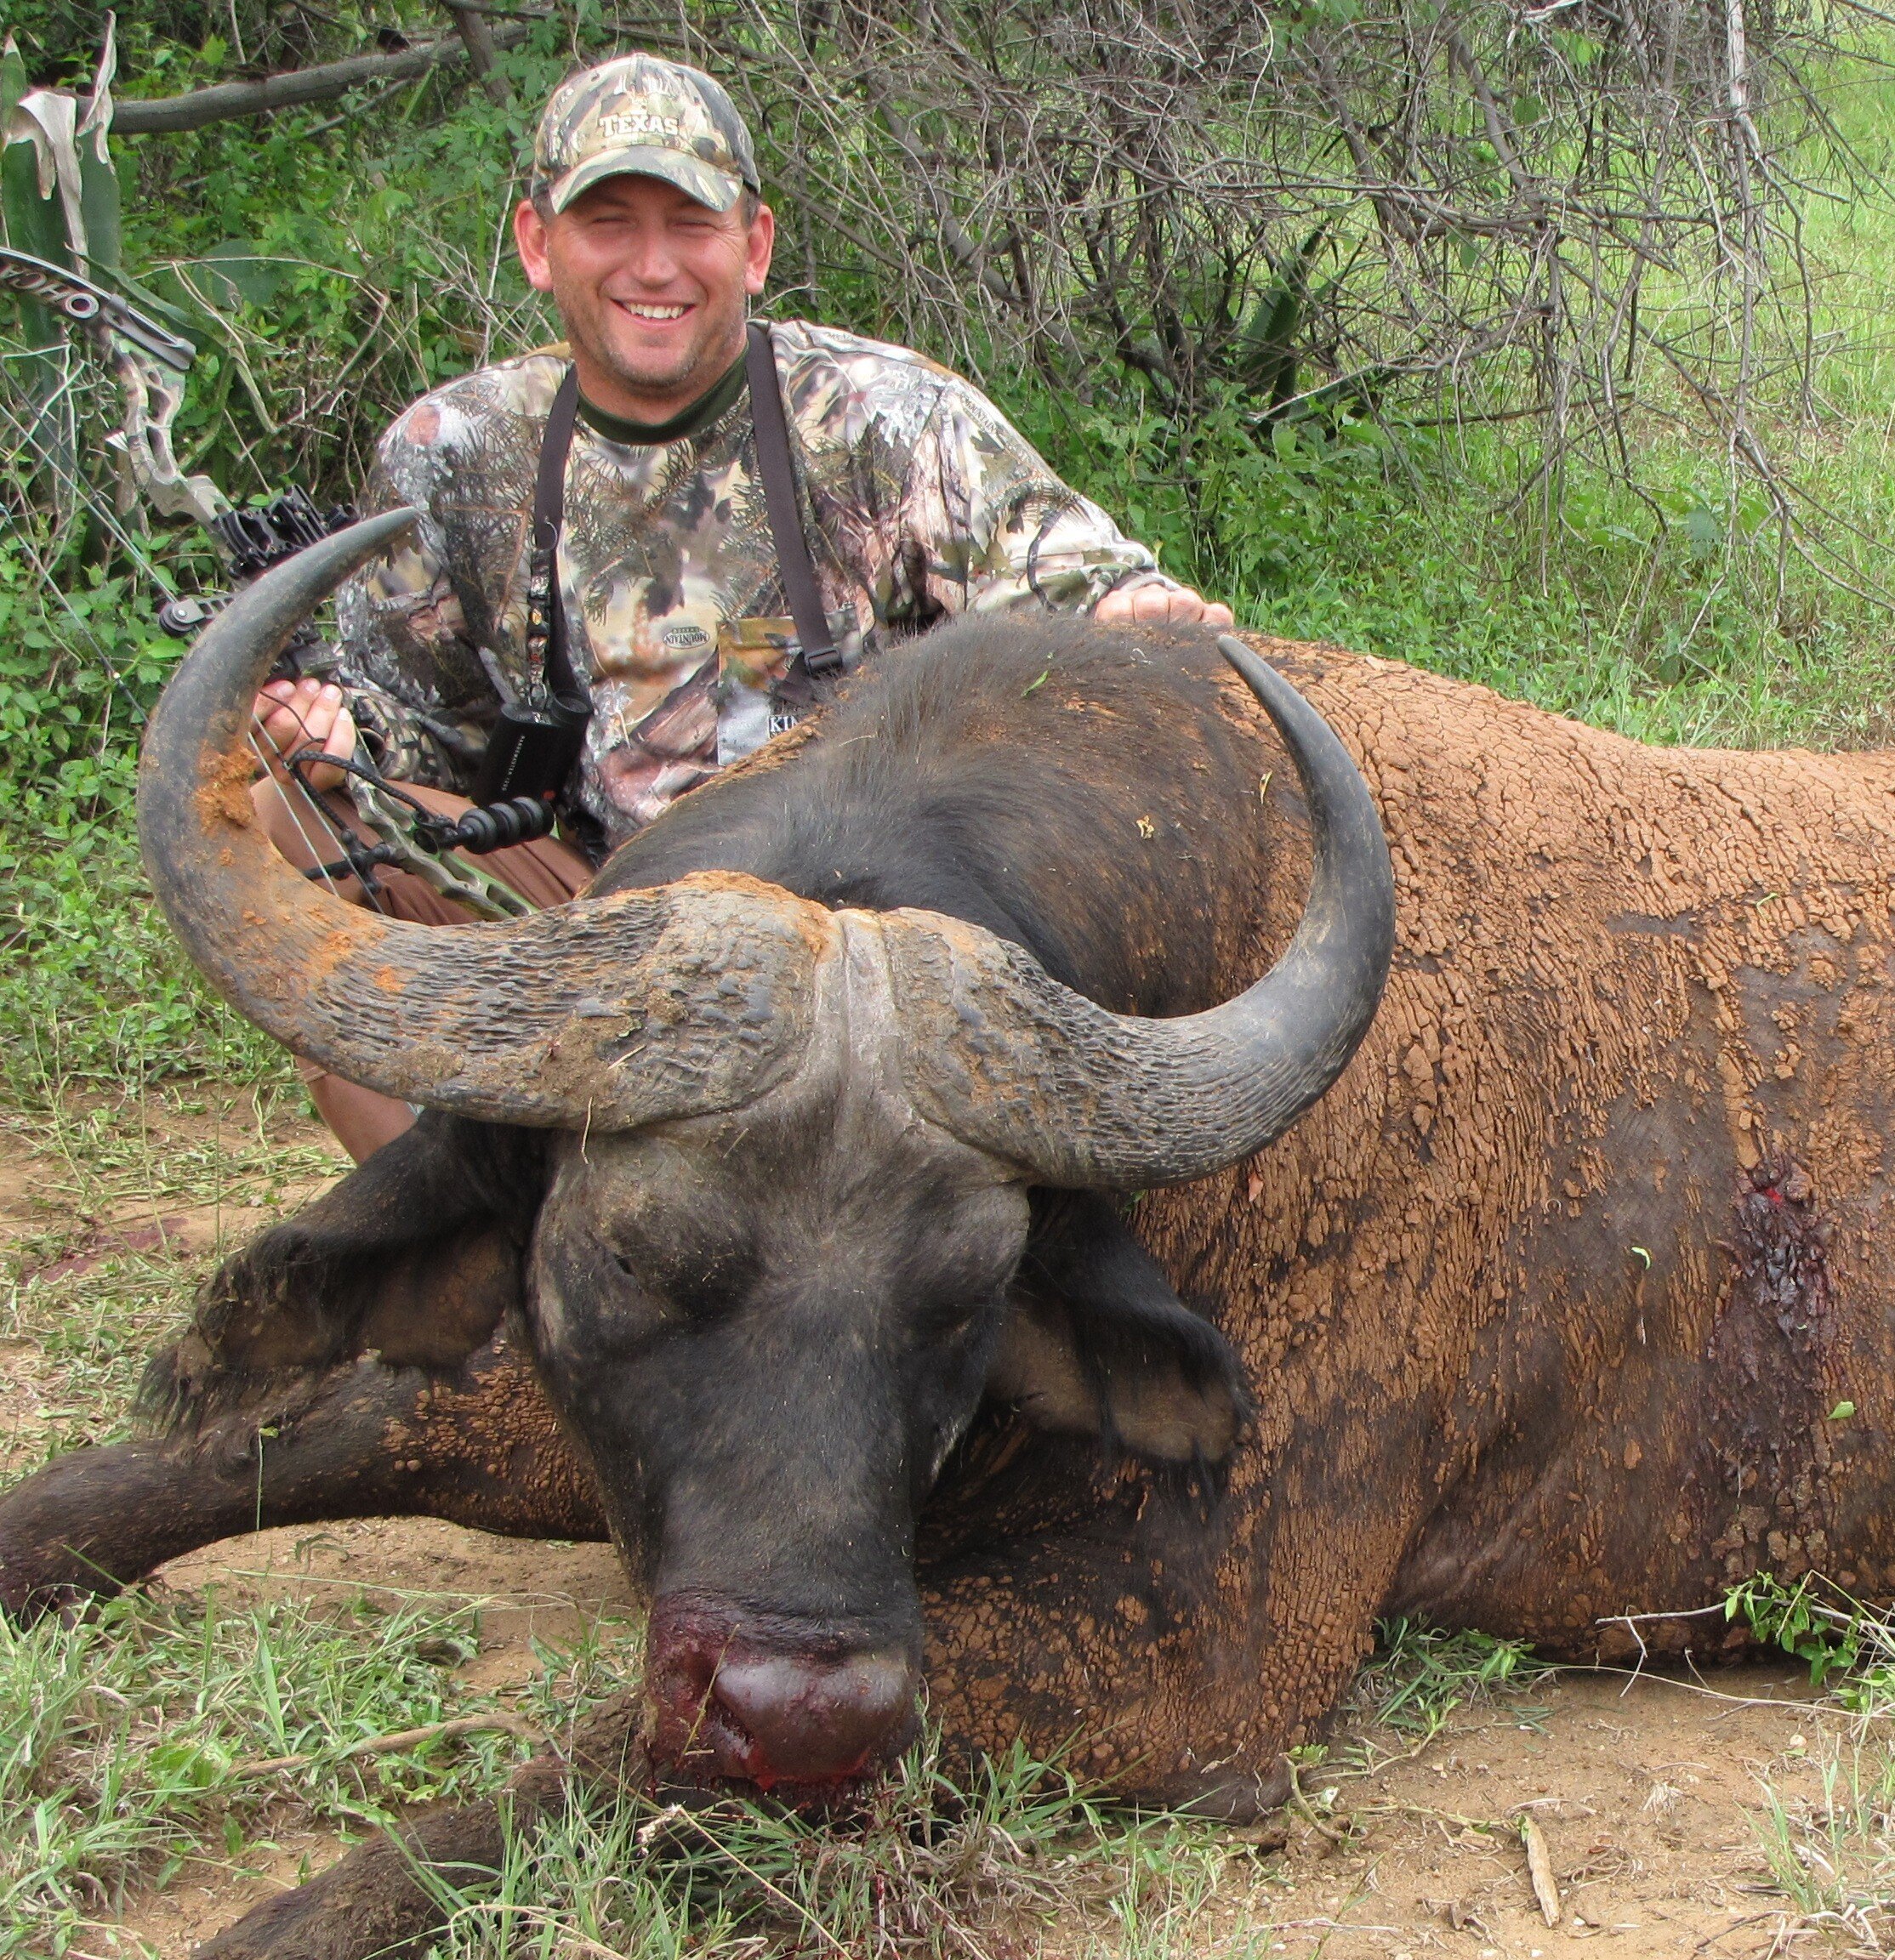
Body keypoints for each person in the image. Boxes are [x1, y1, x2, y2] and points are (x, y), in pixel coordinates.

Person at [248, 53, 1230, 1158]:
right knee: (297, 820)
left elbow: (1069, 575)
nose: (653, 264)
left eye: (691, 222)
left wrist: (1137, 610)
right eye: (608, 221)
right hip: (604, 920)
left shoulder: (880, 416)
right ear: (537, 243)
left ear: (754, 246)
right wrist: (326, 740)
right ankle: (484, 1244)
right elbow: (404, 730)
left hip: (869, 940)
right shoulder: (456, 452)